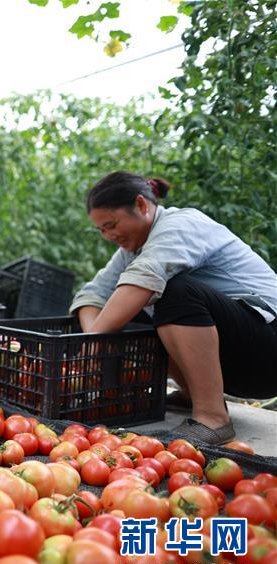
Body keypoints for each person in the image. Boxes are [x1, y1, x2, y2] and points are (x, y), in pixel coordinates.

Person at [71, 170, 277, 444]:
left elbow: (145, 278)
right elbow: (92, 294)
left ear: (142, 205)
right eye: (101, 230)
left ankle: (213, 418)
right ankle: (193, 394)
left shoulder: (181, 224)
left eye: (112, 224)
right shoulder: (131, 251)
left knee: (172, 291)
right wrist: (94, 335)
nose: (108, 235)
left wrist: (94, 339)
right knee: (133, 308)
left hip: (267, 351)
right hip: (239, 359)